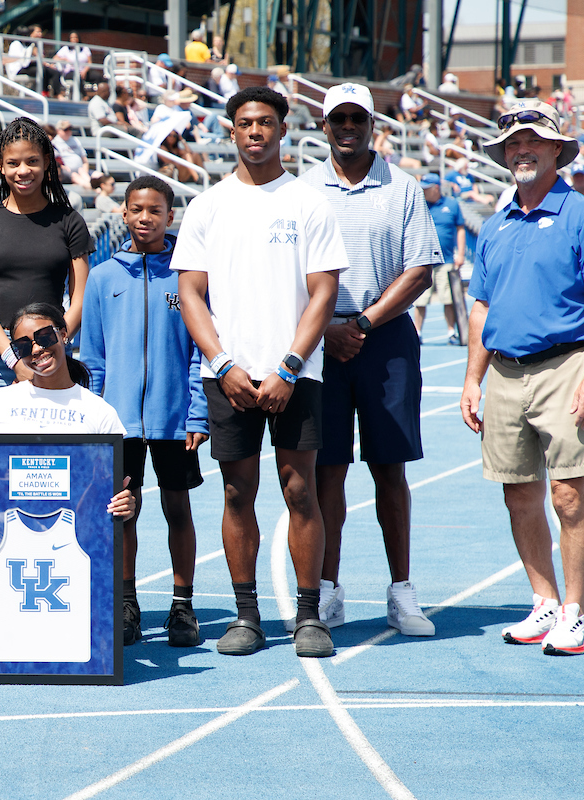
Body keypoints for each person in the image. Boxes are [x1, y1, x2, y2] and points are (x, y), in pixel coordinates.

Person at [174, 86, 349, 659]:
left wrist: (290, 366)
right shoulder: (207, 205)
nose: (255, 131)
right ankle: (246, 616)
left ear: (282, 130)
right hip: (228, 376)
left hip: (295, 375)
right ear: (231, 131)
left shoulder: (308, 202)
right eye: (245, 123)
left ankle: (307, 616)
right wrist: (223, 365)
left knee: (301, 490)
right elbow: (191, 293)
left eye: (266, 123)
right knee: (235, 492)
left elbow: (324, 292)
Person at [461, 100, 584, 657]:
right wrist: (471, 381)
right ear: (504, 154)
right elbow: (481, 307)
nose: (522, 150)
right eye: (512, 143)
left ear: (556, 149)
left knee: (569, 497)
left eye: (533, 141)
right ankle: (544, 600)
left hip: (566, 365)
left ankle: (575, 612)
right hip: (504, 371)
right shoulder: (495, 226)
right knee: (519, 496)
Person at [299, 82, 442, 637]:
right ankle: (328, 591)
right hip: (320, 339)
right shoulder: (306, 190)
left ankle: (401, 591)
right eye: (339, 119)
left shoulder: (402, 187)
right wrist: (326, 330)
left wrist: (359, 323)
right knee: (326, 469)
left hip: (381, 340)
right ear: (325, 125)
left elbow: (420, 270)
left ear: (373, 123)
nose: (348, 127)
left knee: (390, 468)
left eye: (358, 118)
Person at [81, 176, 208, 648]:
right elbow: (93, 357)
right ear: (124, 214)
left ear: (170, 217)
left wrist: (198, 414)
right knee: (122, 515)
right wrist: (94, 419)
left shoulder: (189, 275)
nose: (145, 218)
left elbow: (201, 351)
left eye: (155, 210)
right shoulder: (103, 277)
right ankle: (127, 603)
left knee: (179, 507)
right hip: (117, 423)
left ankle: (182, 604)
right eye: (136, 209)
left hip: (175, 419)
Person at [0, 303, 134, 515]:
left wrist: (124, 508)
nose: (36, 350)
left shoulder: (101, 412)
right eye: (24, 346)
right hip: (6, 531)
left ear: (63, 334)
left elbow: (108, 498)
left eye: (44, 337)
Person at [0, 117, 91, 402]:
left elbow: (80, 297)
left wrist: (51, 343)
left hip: (52, 353)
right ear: (0, 165)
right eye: (13, 163)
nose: (23, 171)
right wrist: (14, 359)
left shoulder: (70, 222)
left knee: (53, 446)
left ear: (47, 162)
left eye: (32, 161)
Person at [411, 173, 467, 343]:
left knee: (448, 299)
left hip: (446, 260)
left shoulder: (452, 204)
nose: (424, 191)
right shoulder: (419, 204)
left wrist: (461, 253)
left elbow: (460, 229)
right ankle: (417, 332)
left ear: (436, 188)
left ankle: (451, 332)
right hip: (424, 260)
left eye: (427, 188)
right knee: (420, 300)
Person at [52, 119, 92, 190]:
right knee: (76, 176)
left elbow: (84, 159)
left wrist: (85, 169)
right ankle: (93, 188)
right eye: (65, 129)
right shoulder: (54, 143)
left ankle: (94, 188)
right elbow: (56, 161)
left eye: (70, 129)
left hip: (81, 170)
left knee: (98, 175)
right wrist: (63, 167)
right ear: (58, 130)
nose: (68, 131)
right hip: (67, 171)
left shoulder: (75, 140)